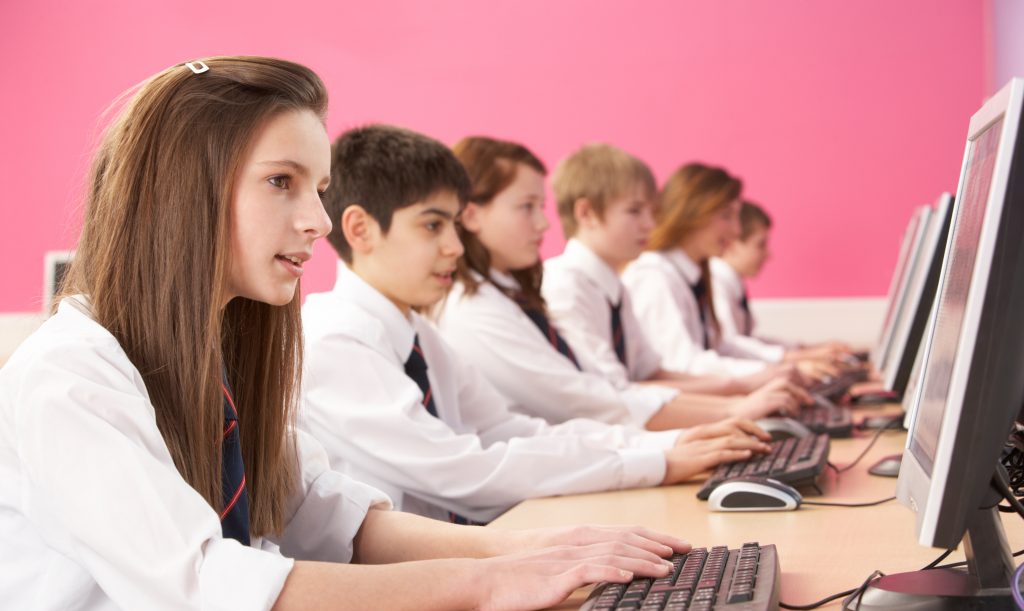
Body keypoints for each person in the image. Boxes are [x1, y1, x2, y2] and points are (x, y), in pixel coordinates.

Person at [0, 57, 691, 611]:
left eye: (319, 188)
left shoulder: (218, 357)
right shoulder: (70, 374)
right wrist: (485, 581)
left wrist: (532, 548)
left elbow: (332, 519)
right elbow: (210, 589)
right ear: (182, 191)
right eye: (282, 182)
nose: (319, 221)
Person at [300, 124, 771, 526]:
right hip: (397, 591)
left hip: (463, 556)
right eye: (432, 226)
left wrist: (667, 445)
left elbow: (512, 429)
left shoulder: (420, 336)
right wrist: (653, 461)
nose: (456, 247)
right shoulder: (336, 339)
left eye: (452, 226)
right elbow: (465, 474)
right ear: (360, 230)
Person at [438, 136, 807, 430]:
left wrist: (737, 398)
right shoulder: (558, 288)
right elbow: (595, 400)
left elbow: (643, 377)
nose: (543, 224)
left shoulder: (600, 287)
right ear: (587, 213)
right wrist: (735, 403)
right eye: (635, 211)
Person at [622, 162, 840, 379]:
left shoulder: (691, 277)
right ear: (692, 213)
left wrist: (788, 362)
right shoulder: (654, 278)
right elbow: (684, 364)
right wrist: (777, 371)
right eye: (726, 216)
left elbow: (719, 347)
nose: (736, 230)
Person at [711, 200, 851, 363]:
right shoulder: (716, 285)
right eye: (760, 245)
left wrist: (806, 349)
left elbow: (748, 342)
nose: (768, 255)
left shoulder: (732, 283)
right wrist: (799, 357)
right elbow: (731, 345)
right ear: (732, 243)